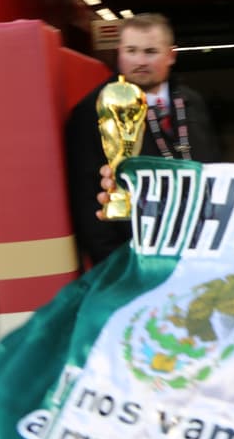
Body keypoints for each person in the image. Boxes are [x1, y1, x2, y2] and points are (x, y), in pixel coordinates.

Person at [67, 14, 220, 266]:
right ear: (119, 52)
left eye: (150, 52)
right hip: (134, 257)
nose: (139, 61)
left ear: (171, 55)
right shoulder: (91, 112)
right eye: (131, 51)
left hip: (198, 246)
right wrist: (112, 264)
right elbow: (85, 195)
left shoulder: (193, 103)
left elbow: (214, 164)